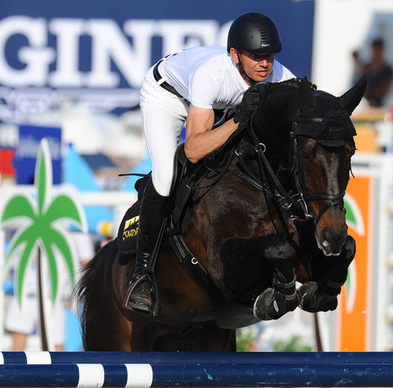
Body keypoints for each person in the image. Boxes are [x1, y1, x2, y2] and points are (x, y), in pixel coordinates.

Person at [124, 12, 295, 315]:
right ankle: (143, 274)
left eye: (269, 55)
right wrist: (240, 119)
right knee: (165, 177)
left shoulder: (278, 76)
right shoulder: (211, 75)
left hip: (217, 106)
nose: (265, 63)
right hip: (167, 97)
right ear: (234, 54)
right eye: (256, 56)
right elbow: (193, 149)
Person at [352, 38, 393, 108]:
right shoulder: (367, 67)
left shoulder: (387, 70)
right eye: (374, 50)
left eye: (377, 50)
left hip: (381, 105)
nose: (375, 52)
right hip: (365, 105)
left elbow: (384, 90)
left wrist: (369, 92)